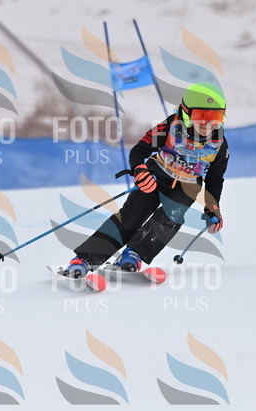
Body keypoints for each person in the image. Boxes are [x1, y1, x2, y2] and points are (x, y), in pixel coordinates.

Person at [62, 82, 229, 277]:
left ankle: (134, 255)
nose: (208, 124)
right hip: (156, 175)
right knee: (131, 217)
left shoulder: (220, 145)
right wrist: (140, 170)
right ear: (186, 112)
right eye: (202, 116)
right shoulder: (170, 126)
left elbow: (215, 180)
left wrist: (212, 208)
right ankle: (85, 259)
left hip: (188, 185)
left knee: (171, 216)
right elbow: (140, 149)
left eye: (216, 117)